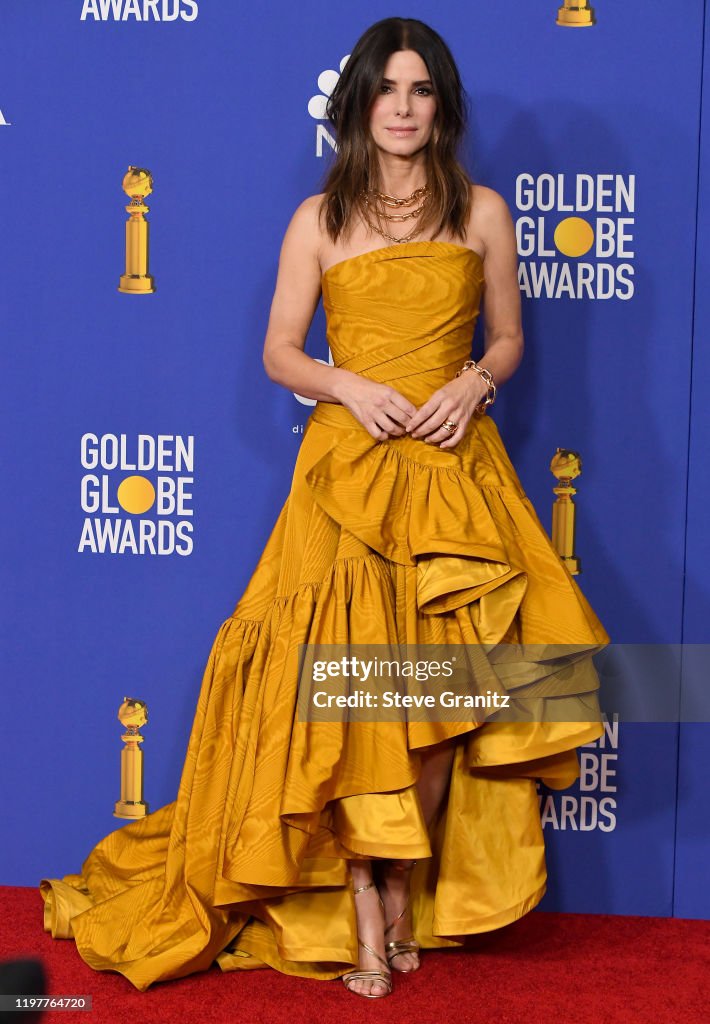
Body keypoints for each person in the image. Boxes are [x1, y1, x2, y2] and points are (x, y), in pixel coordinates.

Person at [40, 16, 609, 1001]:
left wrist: (473, 383)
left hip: (450, 475)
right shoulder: (317, 217)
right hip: (348, 480)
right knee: (352, 705)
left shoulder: (482, 210)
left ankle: (404, 891)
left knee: (440, 705)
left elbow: (509, 338)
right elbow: (278, 352)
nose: (400, 106)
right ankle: (363, 915)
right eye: (385, 89)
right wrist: (348, 387)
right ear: (357, 102)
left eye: (419, 89)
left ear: (441, 105)